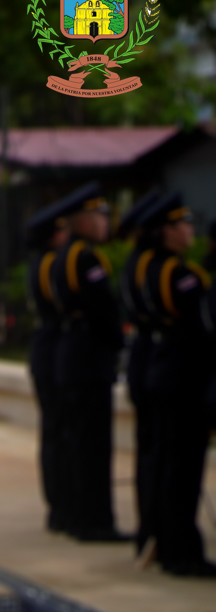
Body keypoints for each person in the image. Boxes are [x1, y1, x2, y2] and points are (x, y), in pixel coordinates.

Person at [137, 194, 216, 576]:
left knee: (169, 465)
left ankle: (167, 543)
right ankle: (180, 550)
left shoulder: (151, 267)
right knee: (181, 469)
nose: (190, 231)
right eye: (183, 225)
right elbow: (202, 328)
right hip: (183, 374)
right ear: (167, 231)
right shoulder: (180, 275)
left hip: (163, 367)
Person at [47, 184, 127, 542]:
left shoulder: (64, 255)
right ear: (83, 220)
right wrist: (118, 344)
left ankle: (76, 516)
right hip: (88, 356)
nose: (105, 223)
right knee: (92, 444)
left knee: (77, 440)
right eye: (99, 216)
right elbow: (102, 312)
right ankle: (94, 521)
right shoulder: (85, 258)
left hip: (71, 353)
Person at [118, 190, 169, 558]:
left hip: (145, 361)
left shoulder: (136, 264)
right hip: (167, 365)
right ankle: (169, 542)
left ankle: (150, 535)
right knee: (169, 457)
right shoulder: (166, 269)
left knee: (152, 453)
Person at [26, 201, 72, 533]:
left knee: (56, 432)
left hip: (47, 348)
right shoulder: (50, 265)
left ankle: (61, 505)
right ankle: (62, 505)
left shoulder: (42, 263)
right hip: (53, 349)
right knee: (59, 432)